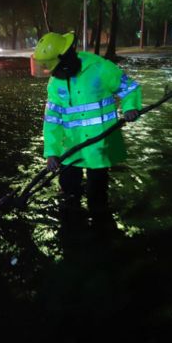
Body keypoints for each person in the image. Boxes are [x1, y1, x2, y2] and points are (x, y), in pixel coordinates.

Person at [30, 32, 142, 232]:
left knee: (97, 196)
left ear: (65, 62)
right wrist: (51, 153)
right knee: (68, 193)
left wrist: (130, 107)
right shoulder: (55, 83)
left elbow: (129, 88)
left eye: (55, 70)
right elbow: (52, 121)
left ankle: (102, 234)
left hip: (99, 147)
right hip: (70, 149)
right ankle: (72, 232)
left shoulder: (100, 68)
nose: (52, 75)